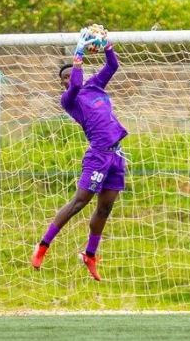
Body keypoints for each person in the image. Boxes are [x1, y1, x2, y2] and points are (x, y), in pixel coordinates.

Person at [31, 26, 127, 281]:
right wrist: (79, 53)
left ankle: (90, 255)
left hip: (117, 155)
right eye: (62, 79)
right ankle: (43, 245)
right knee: (79, 202)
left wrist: (107, 45)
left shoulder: (95, 85)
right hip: (98, 156)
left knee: (105, 208)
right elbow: (75, 82)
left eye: (68, 76)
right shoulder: (69, 99)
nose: (66, 80)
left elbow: (113, 66)